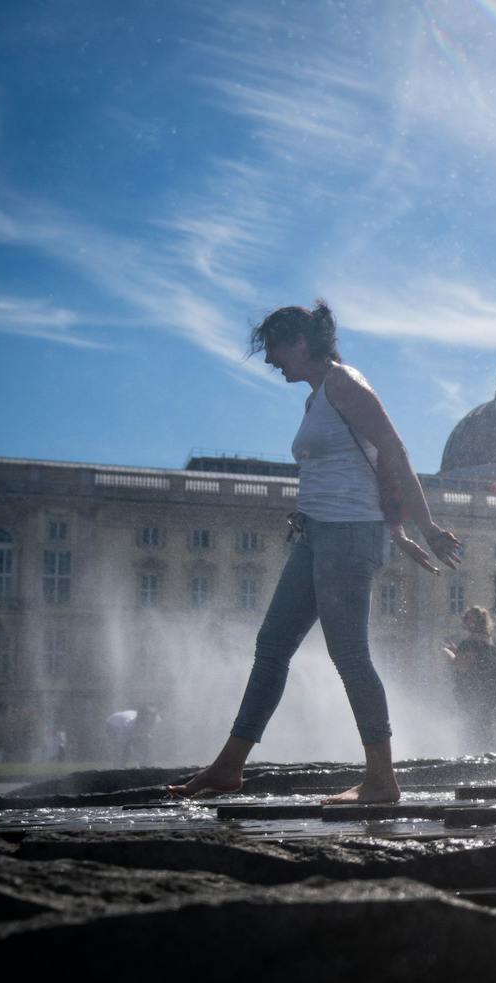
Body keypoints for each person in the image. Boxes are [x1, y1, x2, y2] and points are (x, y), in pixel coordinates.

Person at [171, 301, 462, 804]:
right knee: (272, 647)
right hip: (314, 536)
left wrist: (428, 526)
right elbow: (363, 467)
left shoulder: (344, 383)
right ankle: (228, 766)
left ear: (301, 342)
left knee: (348, 654)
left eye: (274, 348)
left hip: (347, 537)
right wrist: (396, 531)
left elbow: (393, 450)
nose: (270, 360)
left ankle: (381, 778)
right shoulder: (315, 400)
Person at [444, 606, 496, 750]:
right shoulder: (486, 642)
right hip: (487, 697)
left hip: (473, 696)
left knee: (471, 734)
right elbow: (475, 662)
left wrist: (447, 653)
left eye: (467, 617)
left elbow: (461, 666)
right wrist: (458, 652)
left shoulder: (470, 643)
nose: (464, 619)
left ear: (476, 622)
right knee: (483, 731)